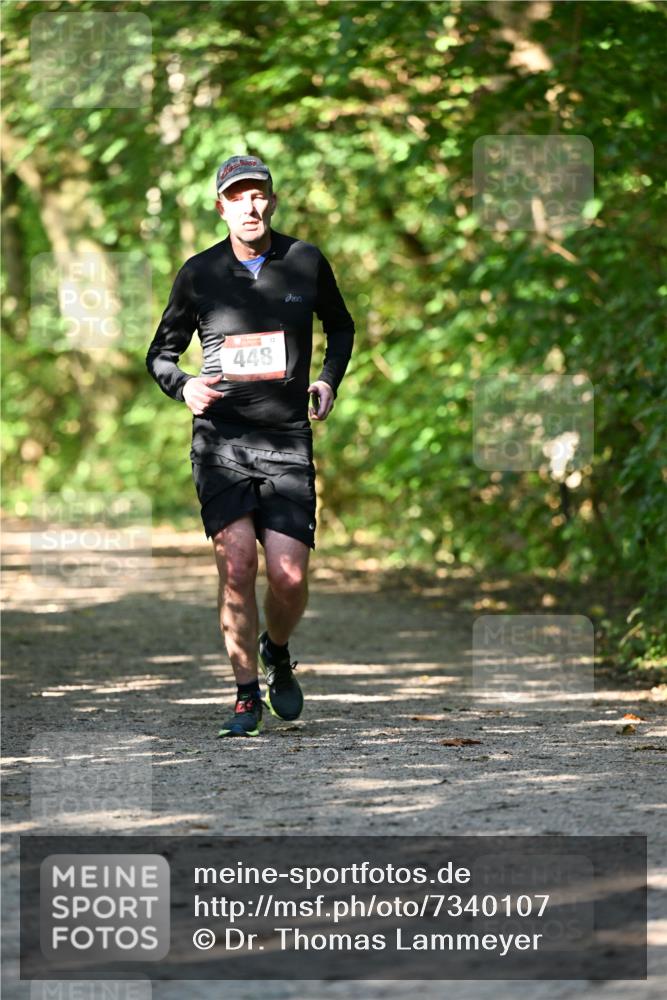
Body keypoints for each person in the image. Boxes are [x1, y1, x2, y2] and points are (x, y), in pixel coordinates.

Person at [146, 155, 354, 737]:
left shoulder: (305, 261)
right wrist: (183, 385)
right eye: (237, 197)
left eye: (258, 194)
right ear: (221, 207)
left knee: (287, 578)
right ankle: (244, 696)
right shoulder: (198, 273)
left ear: (272, 200)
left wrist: (328, 380)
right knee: (236, 564)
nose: (250, 206)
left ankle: (277, 651)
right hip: (221, 443)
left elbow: (341, 326)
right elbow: (159, 354)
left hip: (286, 439)